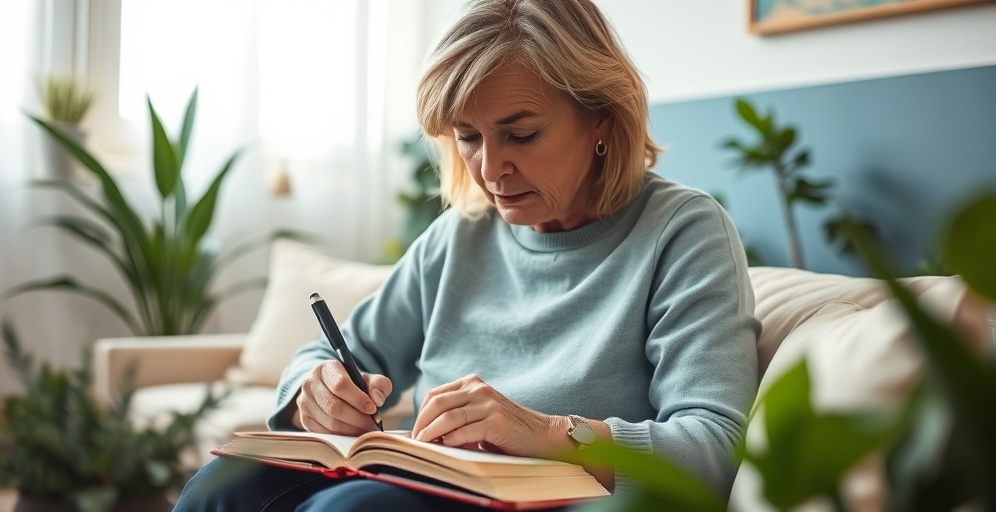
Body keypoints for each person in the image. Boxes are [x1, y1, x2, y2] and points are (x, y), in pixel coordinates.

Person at [174, 0, 759, 510]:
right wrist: (318, 390)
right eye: (468, 136)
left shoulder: (682, 230)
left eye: (522, 134)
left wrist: (548, 433)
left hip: (554, 500)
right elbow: (333, 352)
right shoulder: (458, 235)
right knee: (218, 488)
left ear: (600, 119)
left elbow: (713, 446)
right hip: (425, 481)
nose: (489, 170)